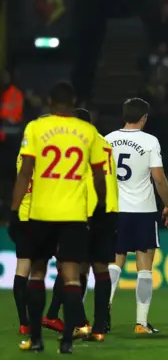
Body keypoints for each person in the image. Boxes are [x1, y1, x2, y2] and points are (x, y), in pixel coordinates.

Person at [11, 81, 106, 353]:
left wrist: (14, 211)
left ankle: (36, 339)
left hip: (41, 212)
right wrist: (99, 208)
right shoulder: (87, 131)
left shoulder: (36, 128)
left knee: (37, 273)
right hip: (74, 214)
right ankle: (66, 341)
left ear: (50, 102)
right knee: (72, 276)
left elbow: (25, 172)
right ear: (73, 101)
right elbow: (99, 175)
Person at [105, 97, 168, 334]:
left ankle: (102, 316)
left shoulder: (108, 140)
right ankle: (141, 323)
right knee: (144, 268)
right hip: (143, 211)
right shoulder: (150, 141)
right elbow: (158, 177)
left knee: (114, 264)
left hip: (115, 210)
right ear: (144, 117)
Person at [74, 108, 119, 341]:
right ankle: (100, 326)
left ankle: (80, 323)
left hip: (86, 209)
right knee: (101, 269)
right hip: (109, 211)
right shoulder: (105, 143)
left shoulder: (78, 144)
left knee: (76, 268)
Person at [9, 153, 34, 335]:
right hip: (45, 217)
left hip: (23, 216)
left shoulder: (21, 155)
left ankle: (24, 323)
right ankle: (53, 315)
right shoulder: (47, 151)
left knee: (22, 269)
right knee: (68, 266)